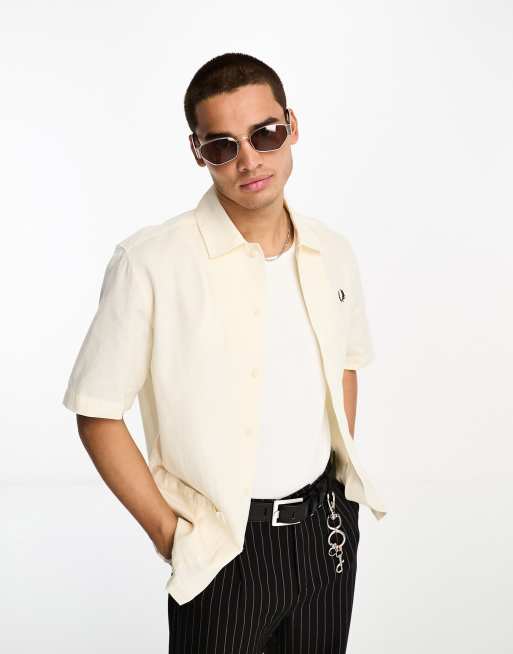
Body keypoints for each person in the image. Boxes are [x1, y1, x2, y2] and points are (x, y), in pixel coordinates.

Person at [62, 52, 387, 653]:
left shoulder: (332, 252)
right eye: (222, 145)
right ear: (198, 152)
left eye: (265, 134)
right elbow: (97, 412)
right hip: (222, 551)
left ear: (292, 125)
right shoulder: (151, 263)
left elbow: (345, 364)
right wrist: (170, 534)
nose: (249, 160)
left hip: (326, 534)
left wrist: (337, 490)